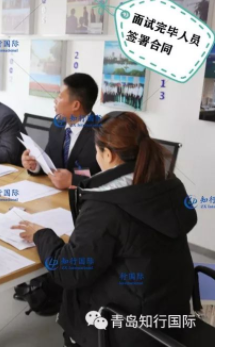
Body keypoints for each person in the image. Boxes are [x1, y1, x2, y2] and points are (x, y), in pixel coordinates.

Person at [12, 112, 197, 346]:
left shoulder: (107, 204)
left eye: (96, 151)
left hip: (129, 330)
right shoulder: (166, 186)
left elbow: (68, 271)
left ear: (108, 154)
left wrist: (41, 235)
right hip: (172, 315)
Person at [22, 73, 101, 189]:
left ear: (75, 105)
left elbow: (105, 178)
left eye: (60, 96)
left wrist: (73, 180)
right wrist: (35, 165)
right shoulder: (57, 126)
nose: (55, 100)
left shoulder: (101, 134)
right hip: (53, 195)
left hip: (84, 198)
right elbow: (50, 163)